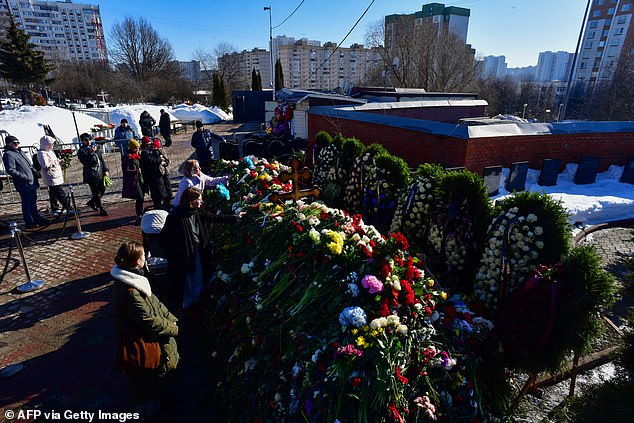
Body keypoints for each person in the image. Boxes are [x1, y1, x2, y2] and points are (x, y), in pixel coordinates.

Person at [111, 241, 180, 414]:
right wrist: (173, 328)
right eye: (143, 256)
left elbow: (155, 303)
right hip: (145, 345)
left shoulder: (132, 280)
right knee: (150, 384)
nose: (146, 258)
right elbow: (149, 321)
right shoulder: (132, 291)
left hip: (149, 339)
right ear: (138, 262)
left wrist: (170, 318)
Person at [160, 187, 237, 309]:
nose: (201, 202)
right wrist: (174, 254)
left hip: (199, 250)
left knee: (199, 275)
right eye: (199, 200)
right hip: (184, 254)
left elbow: (215, 218)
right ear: (190, 200)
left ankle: (197, 299)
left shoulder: (198, 211)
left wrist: (236, 218)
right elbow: (165, 238)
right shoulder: (175, 216)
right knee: (188, 278)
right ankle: (188, 302)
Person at [2, 135, 49, 229]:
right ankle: (28, 221)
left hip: (31, 181)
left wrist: (35, 172)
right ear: (8, 144)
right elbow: (10, 169)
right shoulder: (8, 154)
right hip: (23, 183)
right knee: (26, 203)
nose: (16, 144)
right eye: (14, 143)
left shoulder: (20, 151)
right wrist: (24, 177)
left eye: (18, 142)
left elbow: (29, 164)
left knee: (33, 202)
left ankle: (36, 218)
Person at [37, 135, 71, 216]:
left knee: (53, 193)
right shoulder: (42, 153)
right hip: (51, 176)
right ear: (46, 144)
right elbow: (45, 165)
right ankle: (69, 208)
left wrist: (60, 162)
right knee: (60, 193)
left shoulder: (50, 152)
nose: (52, 146)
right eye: (51, 144)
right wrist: (56, 162)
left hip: (55, 174)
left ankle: (54, 208)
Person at [77, 132, 110, 216]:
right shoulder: (82, 151)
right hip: (91, 174)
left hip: (100, 172)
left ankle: (92, 202)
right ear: (82, 141)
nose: (88, 142)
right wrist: (91, 153)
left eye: (90, 139)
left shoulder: (95, 147)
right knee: (96, 192)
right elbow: (86, 162)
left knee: (102, 189)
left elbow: (101, 159)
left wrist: (105, 170)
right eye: (86, 140)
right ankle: (101, 208)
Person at [140, 137, 171, 209]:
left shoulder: (154, 150)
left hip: (162, 173)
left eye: (150, 144)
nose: (150, 146)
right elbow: (150, 161)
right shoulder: (144, 153)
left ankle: (166, 205)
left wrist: (164, 162)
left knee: (167, 191)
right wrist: (159, 159)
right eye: (148, 144)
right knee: (157, 195)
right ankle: (159, 207)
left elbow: (166, 159)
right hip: (153, 176)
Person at [122, 139, 146, 223]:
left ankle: (140, 211)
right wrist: (136, 171)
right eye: (136, 148)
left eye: (138, 148)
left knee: (142, 196)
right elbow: (126, 169)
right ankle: (138, 214)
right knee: (140, 196)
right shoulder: (128, 156)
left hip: (140, 178)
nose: (137, 149)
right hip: (134, 179)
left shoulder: (137, 154)